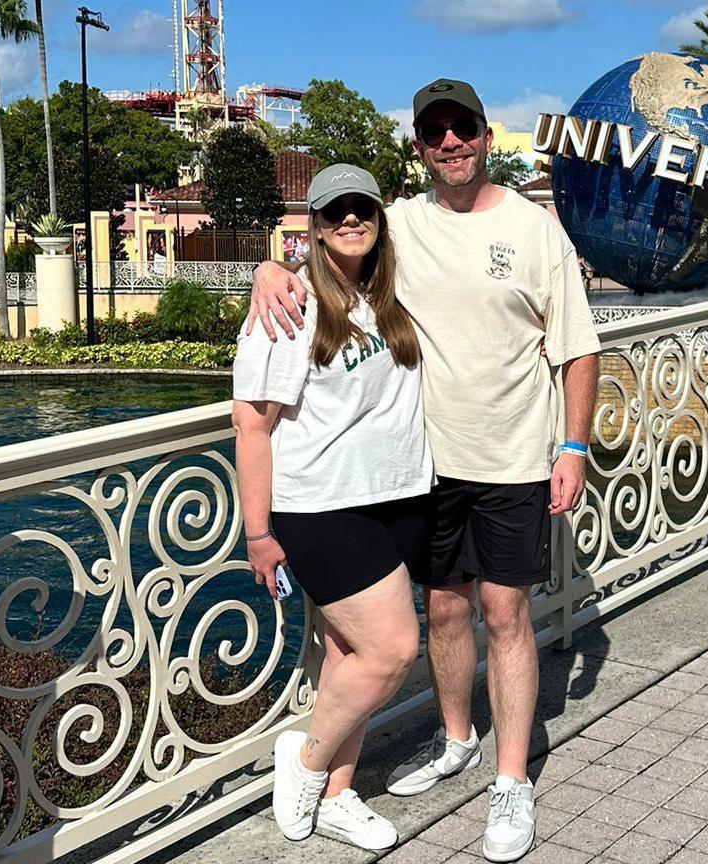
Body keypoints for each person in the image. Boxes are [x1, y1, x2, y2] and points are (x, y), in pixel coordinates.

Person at [245, 79, 601, 863]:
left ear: (484, 134)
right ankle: (454, 738)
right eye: (433, 132)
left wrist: (572, 448)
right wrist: (270, 269)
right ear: (419, 146)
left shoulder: (537, 230)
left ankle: (511, 779)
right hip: (424, 471)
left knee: (504, 616)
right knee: (442, 615)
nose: (450, 142)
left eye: (462, 128)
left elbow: (580, 349)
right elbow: (330, 242)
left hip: (513, 461)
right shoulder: (398, 220)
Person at [233, 164, 431, 851]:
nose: (351, 220)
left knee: (350, 654)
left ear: (379, 220)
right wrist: (257, 532)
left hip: (392, 497)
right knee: (394, 647)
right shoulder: (289, 308)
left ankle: (339, 798)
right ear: (313, 226)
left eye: (362, 210)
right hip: (321, 507)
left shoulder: (388, 293)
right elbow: (251, 426)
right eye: (333, 212)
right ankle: (307, 762)